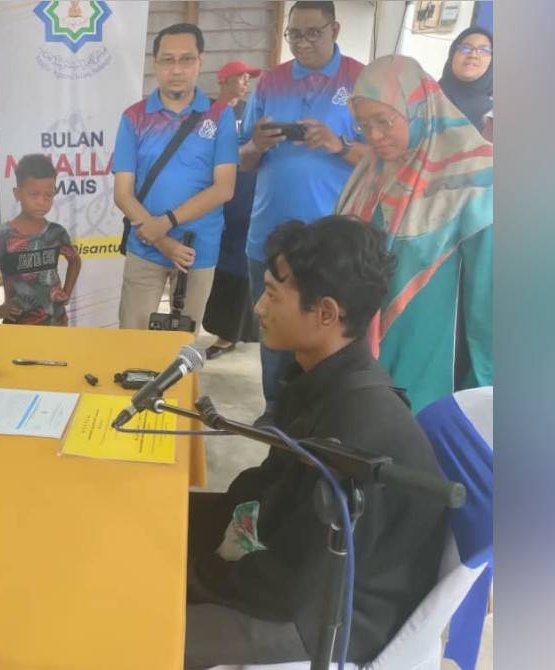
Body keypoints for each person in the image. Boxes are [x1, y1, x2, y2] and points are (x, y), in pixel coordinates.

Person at [185, 216, 445, 668]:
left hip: (328, 618)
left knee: (138, 631)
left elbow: (294, 583)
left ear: (326, 313)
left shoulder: (359, 427)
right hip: (291, 566)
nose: (260, 308)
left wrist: (194, 575)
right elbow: (267, 490)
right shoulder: (318, 378)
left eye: (272, 294)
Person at [337, 55, 493, 413]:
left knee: (416, 442)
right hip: (361, 347)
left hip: (432, 352)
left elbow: (490, 299)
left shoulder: (478, 178)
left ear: (419, 108)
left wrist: (485, 392)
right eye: (363, 124)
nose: (374, 136)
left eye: (384, 121)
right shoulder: (372, 170)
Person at [237, 1, 368, 425]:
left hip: (334, 239)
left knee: (332, 332)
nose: (303, 43)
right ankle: (276, 411)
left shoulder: (361, 79)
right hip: (269, 235)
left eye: (313, 33)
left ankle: (327, 418)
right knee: (273, 329)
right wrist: (257, 145)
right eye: (295, 35)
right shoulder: (270, 82)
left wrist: (339, 145)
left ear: (336, 29)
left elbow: (388, 156)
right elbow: (242, 159)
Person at [112, 22, 237, 331]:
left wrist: (164, 224)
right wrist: (161, 240)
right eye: (168, 60)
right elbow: (122, 193)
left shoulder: (219, 116)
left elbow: (224, 189)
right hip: (145, 246)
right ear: (156, 64)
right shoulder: (134, 118)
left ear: (200, 61)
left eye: (186, 59)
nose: (177, 69)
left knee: (184, 345)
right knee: (132, 338)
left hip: (198, 250)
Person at [0, 154, 81, 326]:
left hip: (56, 322)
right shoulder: (3, 235)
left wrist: (67, 292)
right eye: (34, 195)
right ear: (18, 194)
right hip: (18, 324)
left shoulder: (57, 232)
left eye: (48, 195)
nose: (42, 202)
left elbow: (75, 261)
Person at [202, 61, 261, 359]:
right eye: (241, 77)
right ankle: (217, 326)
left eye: (248, 78)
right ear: (223, 80)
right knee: (213, 267)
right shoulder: (208, 113)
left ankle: (234, 332)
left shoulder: (253, 112)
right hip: (214, 202)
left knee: (242, 266)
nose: (246, 82)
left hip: (248, 200)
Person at [439, 27, 493, 136]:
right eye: (465, 48)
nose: (473, 55)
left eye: (483, 51)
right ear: (452, 55)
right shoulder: (427, 97)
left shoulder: (491, 116)